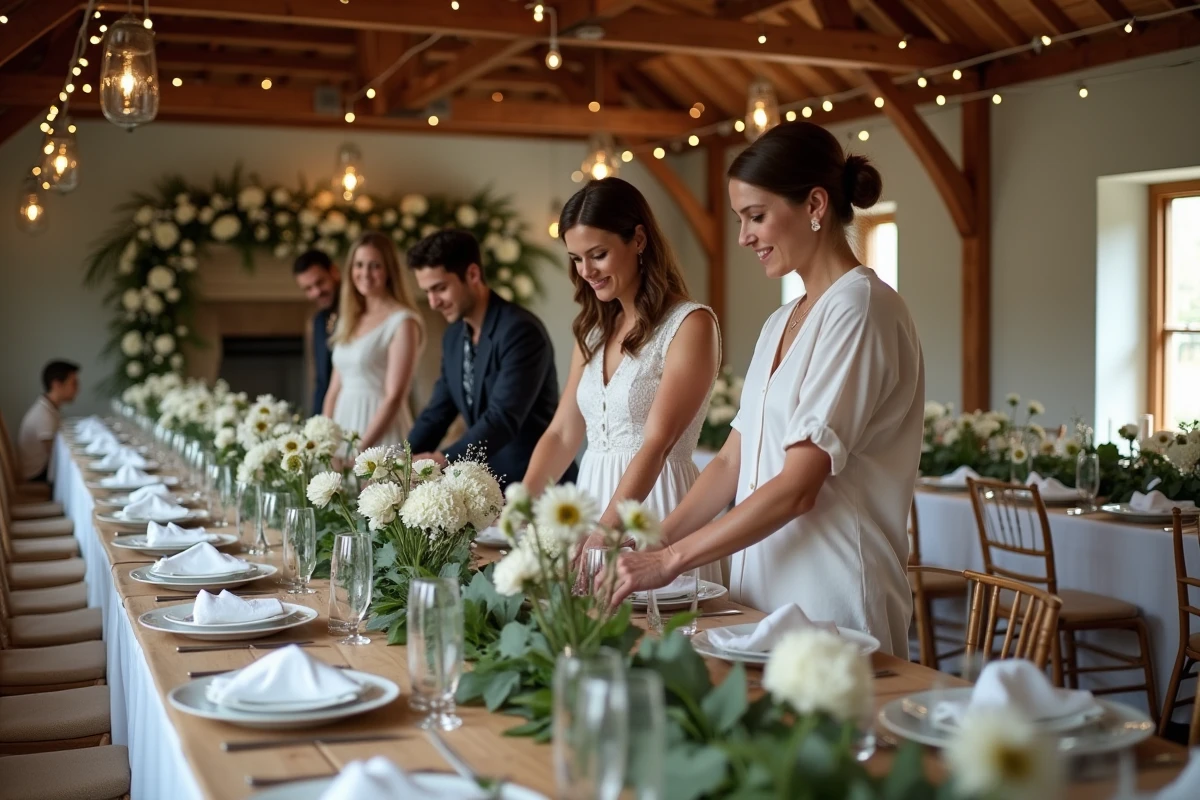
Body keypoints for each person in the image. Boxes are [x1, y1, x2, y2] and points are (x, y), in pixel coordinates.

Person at [610, 122, 925, 658]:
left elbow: (799, 485)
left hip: (834, 591)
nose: (744, 237)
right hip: (761, 590)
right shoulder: (781, 320)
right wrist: (653, 539)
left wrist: (671, 561)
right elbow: (731, 463)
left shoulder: (861, 308)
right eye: (740, 219)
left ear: (815, 204)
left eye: (756, 216)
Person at [521, 178, 724, 586]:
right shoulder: (592, 331)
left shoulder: (690, 324)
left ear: (639, 239)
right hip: (592, 497)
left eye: (598, 255)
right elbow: (563, 433)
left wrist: (608, 531)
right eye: (576, 259)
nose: (586, 271)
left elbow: (658, 441)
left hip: (655, 505)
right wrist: (520, 508)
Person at [407, 229, 571, 487]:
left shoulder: (520, 331)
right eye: (427, 291)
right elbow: (437, 413)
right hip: (487, 485)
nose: (433, 302)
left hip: (533, 483)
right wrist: (398, 462)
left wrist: (441, 459)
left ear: (472, 274)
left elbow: (502, 419)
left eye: (439, 288)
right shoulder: (452, 337)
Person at [322, 232, 423, 448]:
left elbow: (395, 395)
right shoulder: (348, 319)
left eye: (375, 265)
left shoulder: (403, 322)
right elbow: (333, 390)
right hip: (343, 426)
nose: (365, 273)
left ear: (389, 271)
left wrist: (361, 449)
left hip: (380, 433)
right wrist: (325, 441)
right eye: (359, 265)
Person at [293, 249, 342, 415]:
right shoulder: (318, 322)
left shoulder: (358, 314)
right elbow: (322, 382)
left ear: (334, 272)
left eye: (320, 282)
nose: (316, 292)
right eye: (308, 288)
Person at [18, 360, 79, 482]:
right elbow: (55, 454)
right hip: (37, 475)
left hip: (42, 470)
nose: (77, 389)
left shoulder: (49, 407)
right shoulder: (44, 414)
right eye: (74, 383)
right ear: (57, 385)